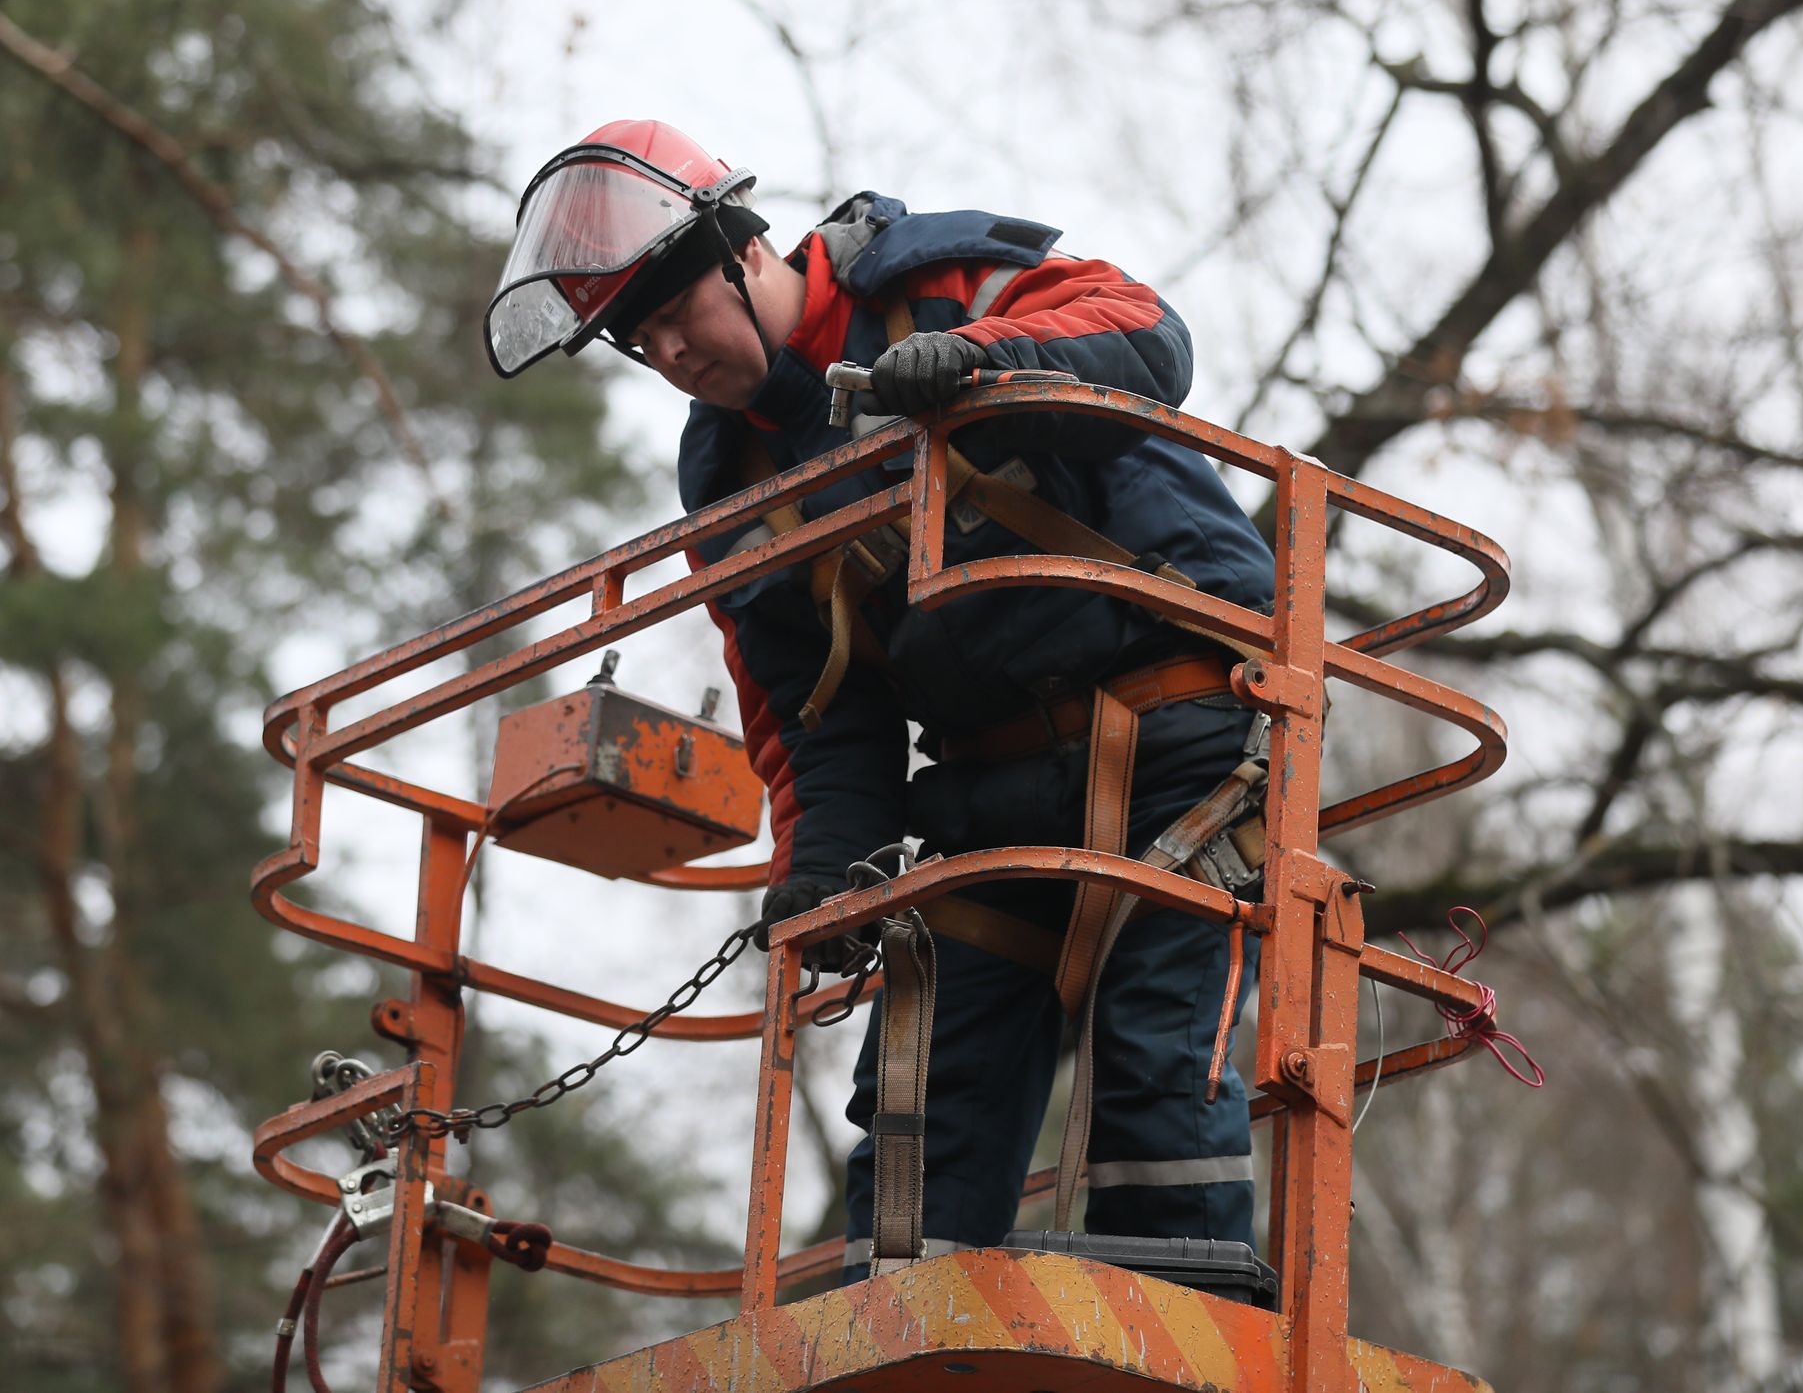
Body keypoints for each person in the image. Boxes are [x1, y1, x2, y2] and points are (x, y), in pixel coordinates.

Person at [485, 119, 1277, 1274]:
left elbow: (1146, 332)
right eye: (637, 340)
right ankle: (904, 1347)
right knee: (918, 1101)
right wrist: (826, 856)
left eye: (673, 311)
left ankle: (1185, 1335)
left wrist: (985, 361)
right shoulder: (729, 472)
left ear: (741, 251)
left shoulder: (934, 282)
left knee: (1156, 1063)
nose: (668, 352)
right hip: (985, 785)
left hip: (1174, 727)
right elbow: (805, 697)